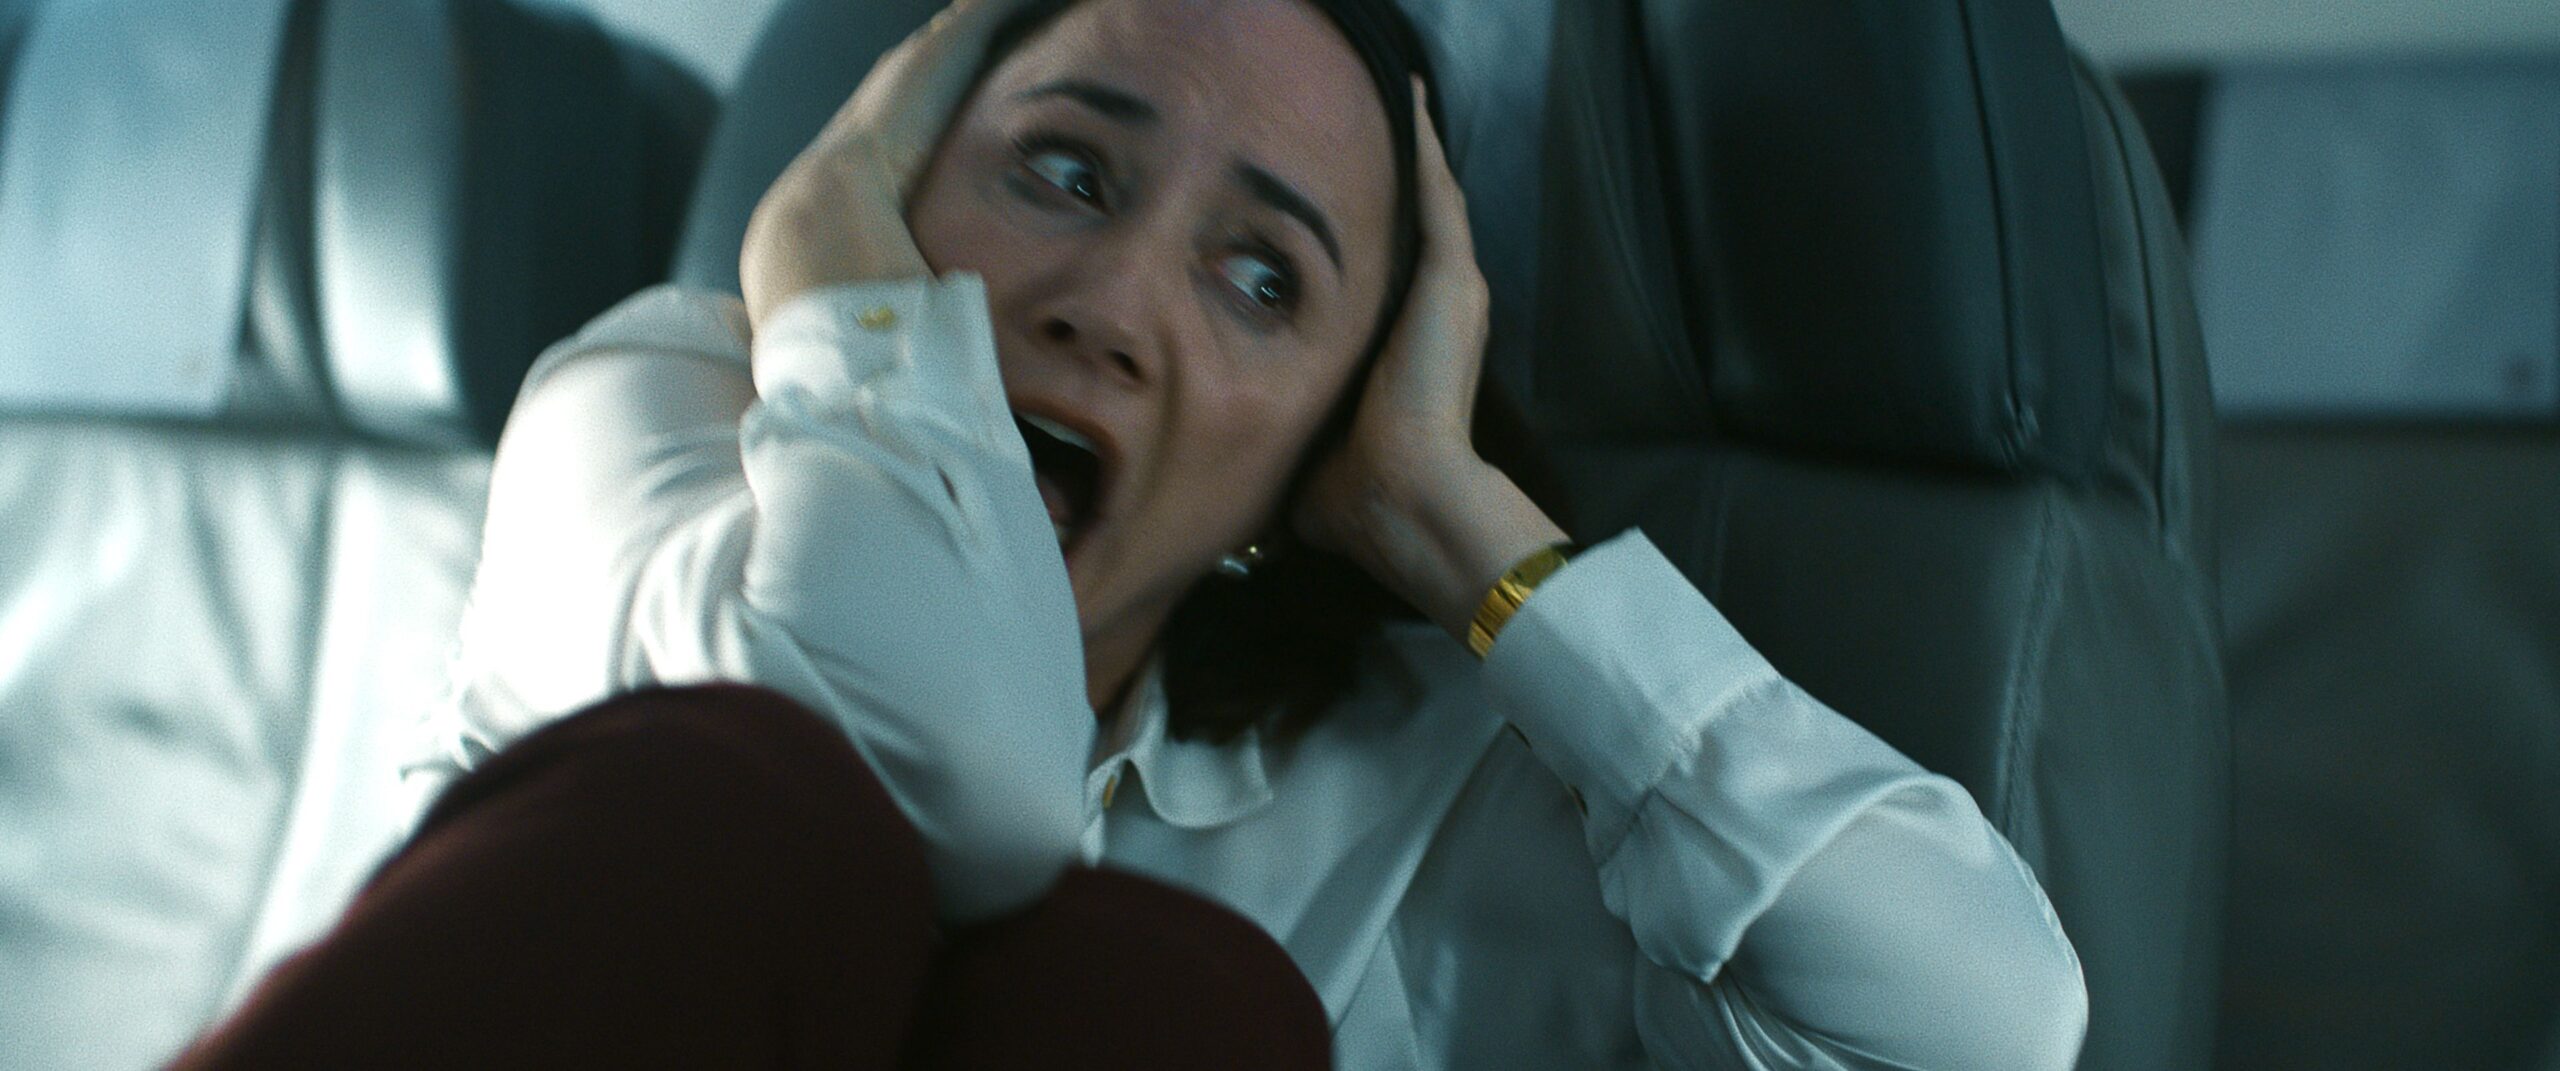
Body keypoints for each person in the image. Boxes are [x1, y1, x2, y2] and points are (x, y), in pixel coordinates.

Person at [183, 0, 2090, 1066]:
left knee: (1168, 1012)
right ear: (891, 195)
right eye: (1063, 170)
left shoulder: (1403, 788)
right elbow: (930, 773)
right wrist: (832, 275)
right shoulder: (651, 409)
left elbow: (1989, 1028)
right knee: (738, 805)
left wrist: (1457, 528)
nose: (1109, 305)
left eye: (1263, 279)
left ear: (1327, 440)